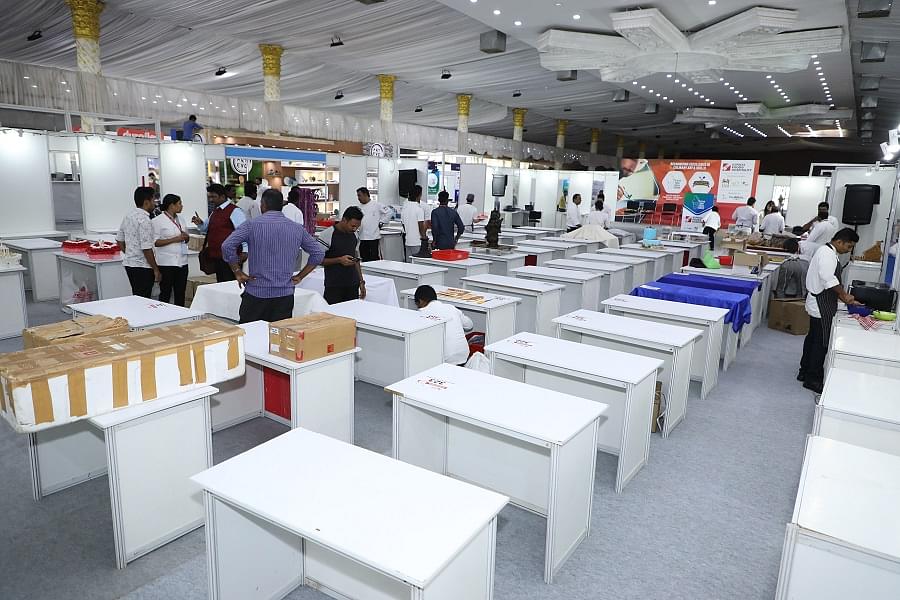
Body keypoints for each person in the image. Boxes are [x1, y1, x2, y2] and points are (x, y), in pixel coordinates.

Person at [221, 189, 325, 323]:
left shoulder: (251, 225)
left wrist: (237, 271)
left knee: (251, 332)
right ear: (282, 205)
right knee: (278, 334)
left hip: (256, 292)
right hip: (284, 295)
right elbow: (318, 253)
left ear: (263, 205)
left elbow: (227, 246)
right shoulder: (297, 228)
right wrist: (300, 276)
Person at [798, 228, 860, 394]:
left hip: (819, 300)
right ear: (839, 242)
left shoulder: (828, 252)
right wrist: (844, 295)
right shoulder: (827, 254)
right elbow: (827, 278)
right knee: (821, 342)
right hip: (820, 302)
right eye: (848, 246)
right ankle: (812, 379)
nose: (849, 250)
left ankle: (804, 371)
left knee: (813, 338)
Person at [192, 183, 247, 282]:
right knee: (221, 283)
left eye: (214, 197)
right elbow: (206, 228)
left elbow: (243, 232)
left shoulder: (235, 211)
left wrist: (245, 251)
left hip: (232, 257)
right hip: (217, 256)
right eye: (209, 197)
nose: (211, 200)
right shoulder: (215, 212)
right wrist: (200, 223)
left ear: (222, 196)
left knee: (231, 284)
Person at [116, 187, 161, 298]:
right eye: (153, 200)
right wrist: (156, 269)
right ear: (146, 202)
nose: (154, 204)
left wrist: (130, 253)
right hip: (143, 267)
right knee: (144, 298)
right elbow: (146, 249)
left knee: (137, 296)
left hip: (130, 264)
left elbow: (119, 239)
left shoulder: (128, 216)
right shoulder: (145, 220)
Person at [413, 285, 473, 366]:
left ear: (420, 301)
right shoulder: (451, 307)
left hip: (444, 359)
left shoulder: (421, 313)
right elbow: (469, 325)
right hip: (464, 355)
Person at [317, 206, 366, 304]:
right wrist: (339, 260)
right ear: (344, 220)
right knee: (332, 313)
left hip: (352, 284)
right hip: (334, 286)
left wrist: (361, 282)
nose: (355, 229)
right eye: (352, 226)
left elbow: (356, 259)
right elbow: (317, 260)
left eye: (357, 227)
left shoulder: (355, 235)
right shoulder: (327, 234)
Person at [152, 194, 190, 306]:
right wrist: (175, 239)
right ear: (171, 205)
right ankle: (164, 314)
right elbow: (155, 242)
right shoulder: (157, 221)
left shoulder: (181, 219)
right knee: (165, 292)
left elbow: (186, 238)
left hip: (182, 262)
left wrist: (186, 237)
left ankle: (181, 313)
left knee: (180, 292)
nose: (182, 206)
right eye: (179, 204)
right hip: (166, 263)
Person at [356, 187, 391, 261]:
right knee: (363, 257)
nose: (358, 198)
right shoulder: (358, 207)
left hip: (373, 237)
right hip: (362, 237)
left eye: (359, 195)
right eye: (358, 196)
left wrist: (382, 222)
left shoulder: (377, 205)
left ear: (365, 195)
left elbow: (389, 212)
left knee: (374, 258)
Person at [401, 184, 427, 260]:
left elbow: (403, 225)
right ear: (419, 195)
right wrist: (424, 238)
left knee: (409, 264)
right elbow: (421, 226)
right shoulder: (419, 209)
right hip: (417, 242)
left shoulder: (404, 209)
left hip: (408, 241)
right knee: (418, 263)